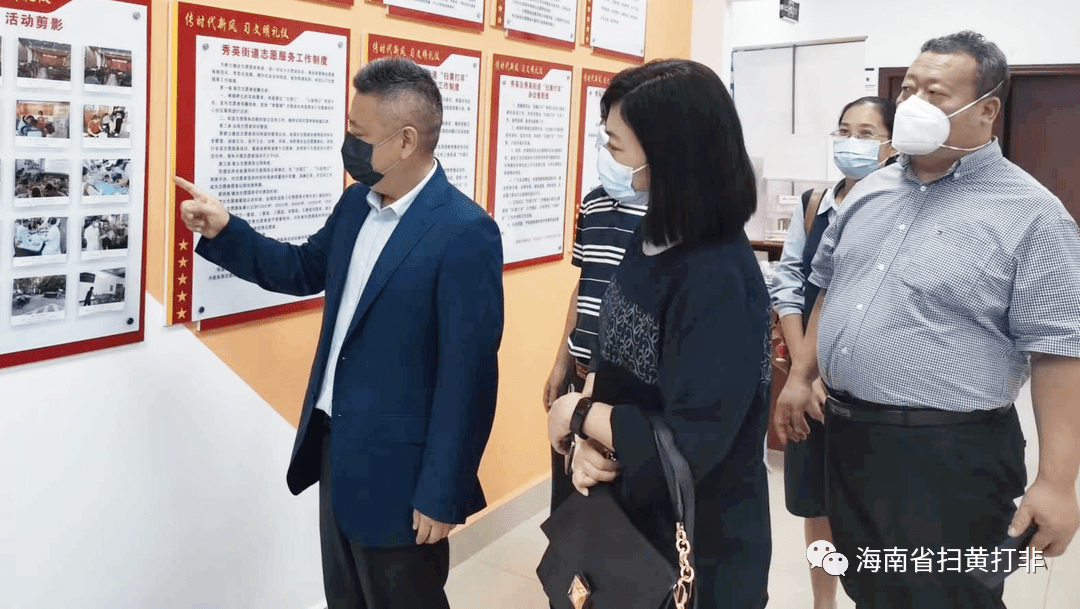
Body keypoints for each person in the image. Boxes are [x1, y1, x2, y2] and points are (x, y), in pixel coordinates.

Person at [175, 57, 504, 609]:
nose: (347, 143)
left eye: (359, 133)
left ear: (405, 141)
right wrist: (227, 230)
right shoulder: (357, 204)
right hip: (338, 449)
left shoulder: (464, 232)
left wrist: (443, 491)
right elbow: (304, 268)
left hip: (404, 476)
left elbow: (468, 378)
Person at [780, 31, 1080, 608]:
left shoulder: (1032, 213)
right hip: (851, 436)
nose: (913, 104)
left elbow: (1059, 350)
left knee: (949, 596)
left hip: (950, 454)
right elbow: (831, 288)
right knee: (872, 586)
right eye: (908, 90)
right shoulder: (870, 190)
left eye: (935, 93)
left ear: (987, 110)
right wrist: (801, 375)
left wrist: (1056, 482)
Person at [547, 59, 771, 608]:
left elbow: (694, 441)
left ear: (669, 155)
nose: (606, 154)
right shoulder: (652, 234)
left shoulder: (717, 275)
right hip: (626, 517)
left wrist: (576, 413)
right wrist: (586, 443)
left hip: (697, 541)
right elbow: (611, 354)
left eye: (615, 143)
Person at [542, 59, 693, 519]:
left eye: (614, 142)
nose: (605, 152)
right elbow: (584, 286)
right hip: (581, 373)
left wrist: (591, 400)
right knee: (569, 502)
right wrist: (562, 362)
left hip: (625, 387)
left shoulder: (675, 224)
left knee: (612, 512)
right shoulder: (594, 203)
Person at [769, 96, 896, 609]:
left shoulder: (900, 206)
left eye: (866, 133)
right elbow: (790, 282)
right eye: (844, 131)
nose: (851, 142)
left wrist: (828, 374)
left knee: (872, 505)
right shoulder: (814, 203)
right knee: (816, 503)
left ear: (891, 144)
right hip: (809, 385)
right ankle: (824, 602)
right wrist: (805, 372)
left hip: (869, 387)